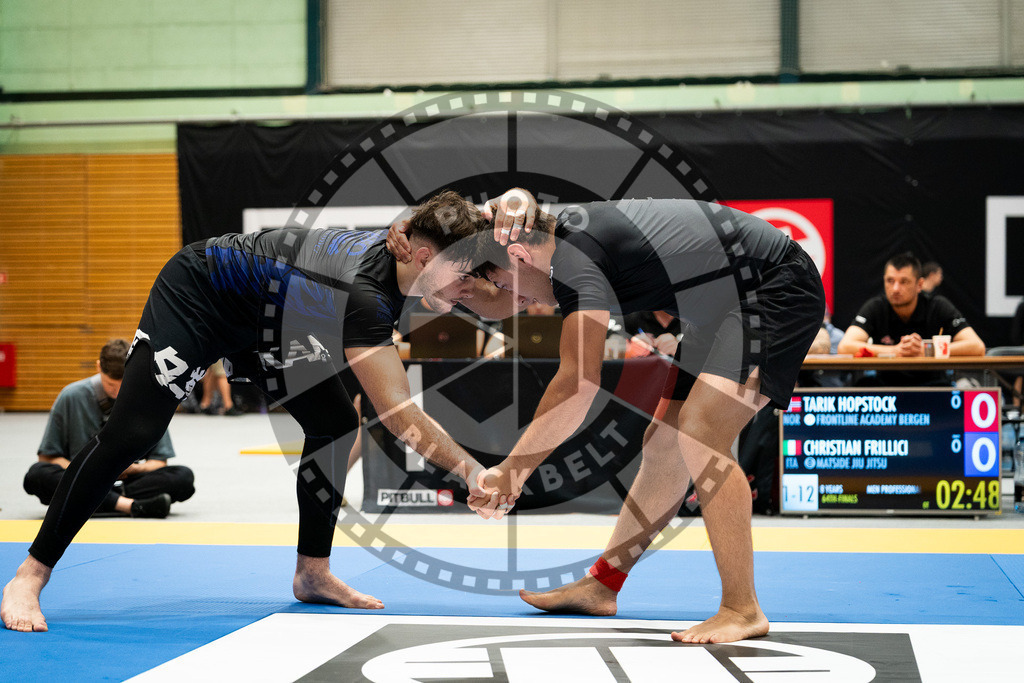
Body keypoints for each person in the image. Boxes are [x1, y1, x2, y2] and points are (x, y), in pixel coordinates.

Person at [1, 190, 498, 633]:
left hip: (273, 323)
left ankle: (313, 573)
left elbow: (447, 216)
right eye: (463, 278)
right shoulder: (365, 297)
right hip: (202, 294)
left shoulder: (412, 239)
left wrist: (500, 214)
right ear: (423, 255)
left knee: (334, 425)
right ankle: (31, 574)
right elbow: (397, 414)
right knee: (133, 433)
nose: (469, 290)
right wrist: (472, 472)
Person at [465, 189, 826, 644]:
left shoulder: (574, 260)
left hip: (775, 284)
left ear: (519, 256)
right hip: (724, 304)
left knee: (701, 431)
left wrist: (514, 471)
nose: (515, 299)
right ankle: (602, 586)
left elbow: (577, 385)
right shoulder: (565, 240)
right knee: (663, 443)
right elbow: (517, 202)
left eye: (504, 285)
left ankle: (742, 608)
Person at [23, 340, 194, 519]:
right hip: (80, 479)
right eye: (111, 385)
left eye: (124, 384)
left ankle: (95, 503)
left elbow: (160, 461)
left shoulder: (147, 398)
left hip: (121, 481)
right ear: (98, 367)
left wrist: (133, 469)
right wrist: (83, 470)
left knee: (183, 477)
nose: (117, 392)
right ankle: (130, 505)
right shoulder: (71, 396)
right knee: (36, 474)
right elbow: (47, 457)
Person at [837, 253, 984, 359]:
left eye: (904, 282)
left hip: (934, 386)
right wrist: (895, 350)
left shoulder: (938, 306)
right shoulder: (875, 307)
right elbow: (844, 347)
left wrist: (925, 350)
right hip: (886, 386)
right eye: (890, 281)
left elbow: (977, 347)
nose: (895, 289)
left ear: (919, 284)